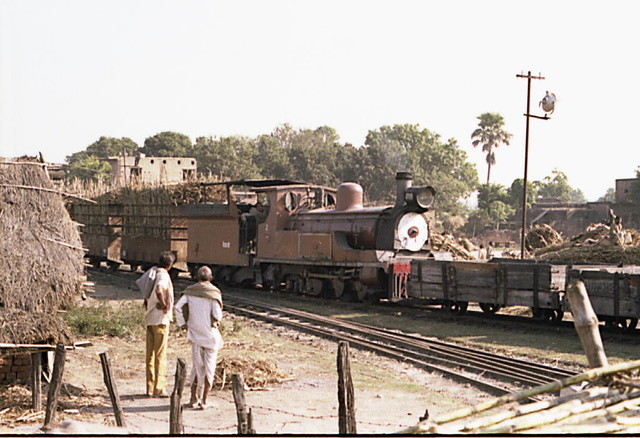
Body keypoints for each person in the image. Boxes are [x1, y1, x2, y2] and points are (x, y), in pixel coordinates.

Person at [175, 266, 224, 409]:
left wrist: (183, 323)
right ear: (210, 278)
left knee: (196, 367)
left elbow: (178, 307)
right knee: (210, 368)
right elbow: (218, 315)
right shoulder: (213, 293)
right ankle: (204, 401)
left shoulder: (190, 292)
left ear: (197, 277)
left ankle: (192, 399)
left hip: (195, 335)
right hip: (210, 336)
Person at [144, 251, 176, 398]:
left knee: (149, 354)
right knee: (160, 355)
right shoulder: (163, 275)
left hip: (150, 318)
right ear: (170, 265)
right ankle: (159, 388)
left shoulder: (153, 273)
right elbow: (159, 289)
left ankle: (149, 387)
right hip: (160, 320)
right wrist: (163, 304)